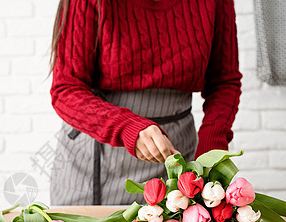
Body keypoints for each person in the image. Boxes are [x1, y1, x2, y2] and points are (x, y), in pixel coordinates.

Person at [49, 0, 242, 206]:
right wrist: (127, 127)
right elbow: (65, 89)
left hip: (176, 157)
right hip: (96, 158)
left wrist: (210, 150)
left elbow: (224, 82)